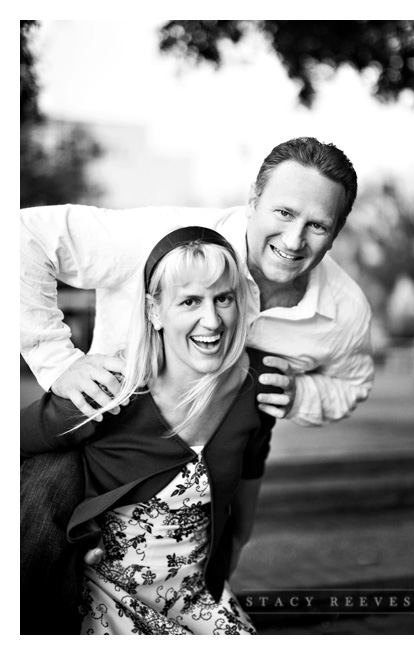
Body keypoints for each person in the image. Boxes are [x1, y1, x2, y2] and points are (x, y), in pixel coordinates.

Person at [19, 136, 374, 634]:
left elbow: (352, 384)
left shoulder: (343, 314)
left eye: (318, 225)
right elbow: (22, 235)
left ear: (336, 233)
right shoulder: (159, 241)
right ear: (253, 201)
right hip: (96, 443)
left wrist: (301, 396)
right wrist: (59, 363)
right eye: (284, 213)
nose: (295, 240)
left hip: (186, 556)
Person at [22, 227, 270, 634]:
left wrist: (222, 571)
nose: (212, 320)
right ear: (154, 311)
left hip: (196, 599)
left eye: (222, 298)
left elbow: (246, 493)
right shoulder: (107, 390)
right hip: (106, 601)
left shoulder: (256, 385)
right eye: (189, 301)